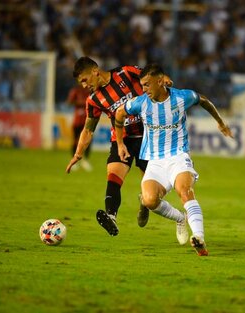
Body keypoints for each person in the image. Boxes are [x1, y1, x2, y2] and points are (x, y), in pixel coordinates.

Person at [114, 63, 233, 256]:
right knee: (150, 200)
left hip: (178, 156)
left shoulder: (181, 97)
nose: (143, 89)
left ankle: (199, 238)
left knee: (184, 191)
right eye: (142, 85)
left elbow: (203, 100)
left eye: (146, 85)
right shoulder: (141, 103)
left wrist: (220, 122)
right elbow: (119, 113)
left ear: (160, 81)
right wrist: (120, 143)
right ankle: (180, 218)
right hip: (154, 161)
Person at [65, 57, 176, 237]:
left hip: (147, 137)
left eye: (84, 80)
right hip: (121, 140)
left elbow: (151, 76)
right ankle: (111, 216)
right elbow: (88, 129)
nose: (84, 86)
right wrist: (78, 154)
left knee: (151, 190)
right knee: (113, 176)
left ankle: (144, 202)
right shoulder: (93, 100)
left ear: (95, 70)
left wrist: (164, 78)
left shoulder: (125, 73)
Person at [67, 85, 92, 171]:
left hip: (87, 120)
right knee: (75, 140)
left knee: (88, 140)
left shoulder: (90, 91)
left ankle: (86, 160)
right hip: (77, 120)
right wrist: (81, 103)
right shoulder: (75, 91)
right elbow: (69, 102)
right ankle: (73, 160)